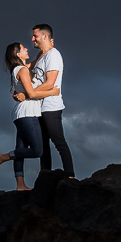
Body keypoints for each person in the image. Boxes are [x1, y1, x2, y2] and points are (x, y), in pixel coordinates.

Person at [0, 42, 45, 190]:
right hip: (28, 113)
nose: (27, 49)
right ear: (17, 54)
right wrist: (52, 90)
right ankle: (3, 157)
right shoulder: (22, 70)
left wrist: (46, 49)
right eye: (23, 48)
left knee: (20, 148)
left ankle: (20, 185)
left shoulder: (20, 68)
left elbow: (36, 61)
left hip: (21, 113)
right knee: (37, 150)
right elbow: (31, 93)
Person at [28, 24, 75, 178]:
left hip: (51, 106)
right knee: (43, 146)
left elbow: (50, 83)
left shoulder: (53, 55)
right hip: (39, 105)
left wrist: (29, 94)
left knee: (58, 141)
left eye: (35, 36)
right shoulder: (41, 55)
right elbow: (27, 68)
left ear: (45, 36)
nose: (32, 39)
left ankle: (70, 176)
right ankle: (45, 177)